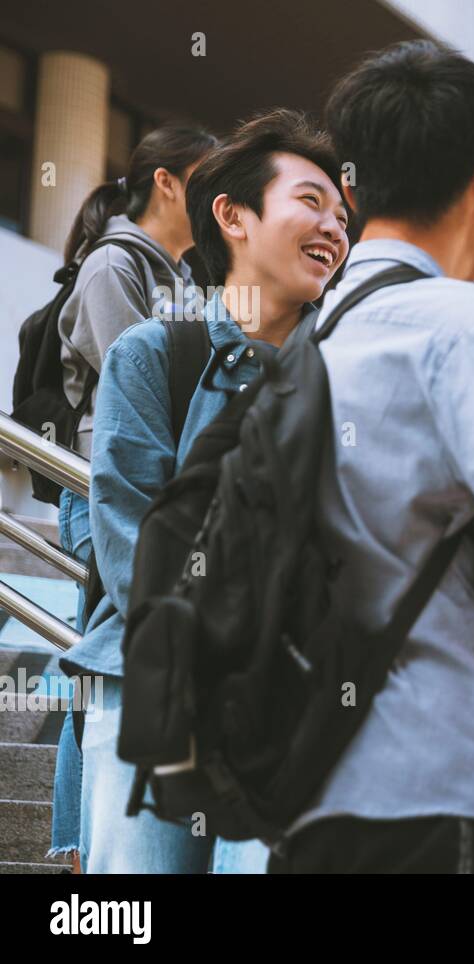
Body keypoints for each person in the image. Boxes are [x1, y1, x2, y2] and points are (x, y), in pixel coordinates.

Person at [264, 39, 474, 874]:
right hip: (441, 792)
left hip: (306, 797)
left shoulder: (298, 348)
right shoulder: (470, 323)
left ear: (350, 190)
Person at [49, 124, 217, 867]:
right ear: (169, 182)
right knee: (111, 653)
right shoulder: (116, 264)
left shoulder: (182, 277)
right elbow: (135, 385)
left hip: (158, 491)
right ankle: (74, 839)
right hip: (106, 491)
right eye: (207, 179)